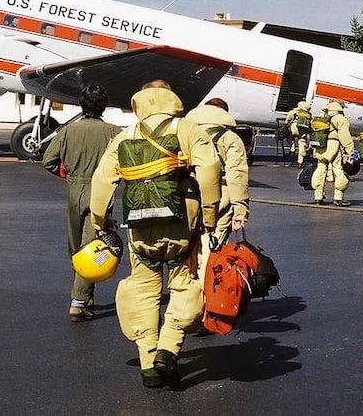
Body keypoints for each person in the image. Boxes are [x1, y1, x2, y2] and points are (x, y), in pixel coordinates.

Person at [89, 85, 222, 389]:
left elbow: (101, 182)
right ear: (173, 102)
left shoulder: (126, 136)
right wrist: (210, 216)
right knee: (183, 285)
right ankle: (168, 348)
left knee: (144, 293)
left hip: (139, 231)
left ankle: (149, 366)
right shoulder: (187, 129)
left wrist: (102, 224)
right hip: (181, 229)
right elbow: (210, 169)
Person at [42, 84, 122, 322]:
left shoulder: (67, 131)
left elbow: (48, 161)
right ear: (104, 106)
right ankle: (78, 302)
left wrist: (68, 176)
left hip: (74, 191)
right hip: (101, 193)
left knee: (76, 247)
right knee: (92, 248)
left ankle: (85, 296)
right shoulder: (115, 132)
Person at [186, 97, 250, 276]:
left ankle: (189, 291)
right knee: (213, 243)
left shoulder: (186, 133)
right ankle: (208, 288)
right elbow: (237, 175)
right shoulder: (230, 138)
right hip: (221, 194)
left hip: (189, 192)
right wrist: (240, 211)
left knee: (189, 243)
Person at [310, 100, 354, 206]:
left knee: (320, 169)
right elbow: (344, 136)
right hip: (333, 145)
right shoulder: (339, 119)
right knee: (338, 169)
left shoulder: (321, 117)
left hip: (320, 146)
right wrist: (350, 150)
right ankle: (338, 197)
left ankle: (318, 196)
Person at [284, 100, 313, 166]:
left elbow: (288, 118)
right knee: (302, 142)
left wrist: (286, 123)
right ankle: (300, 161)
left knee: (290, 134)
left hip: (294, 127)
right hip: (303, 130)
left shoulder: (294, 111)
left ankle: (292, 148)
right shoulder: (308, 114)